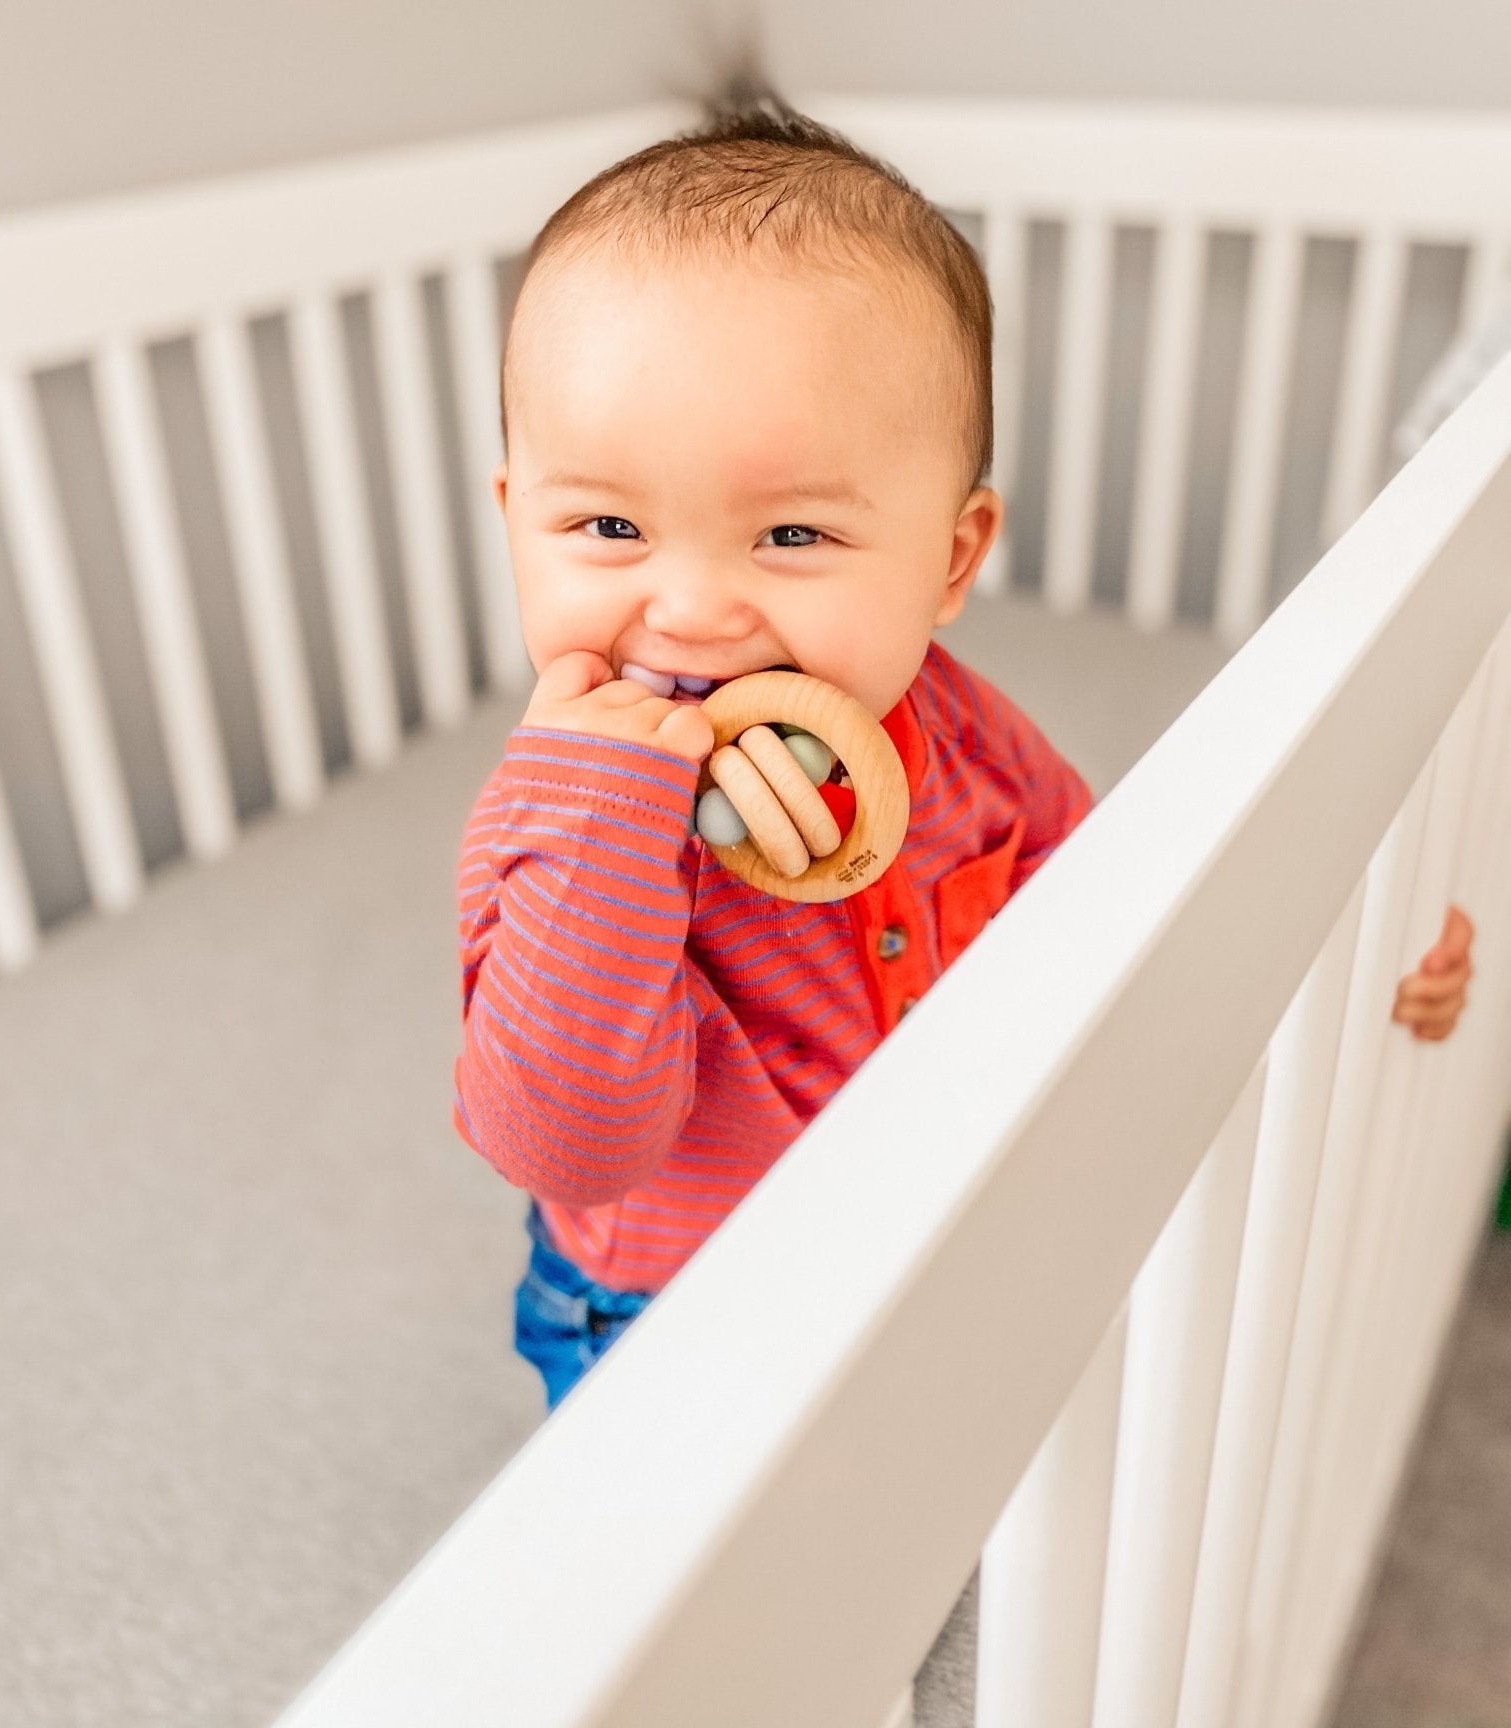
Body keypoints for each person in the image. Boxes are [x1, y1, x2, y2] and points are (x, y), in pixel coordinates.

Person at [453, 98, 1473, 1410]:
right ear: (514, 522)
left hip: (925, 1238)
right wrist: (608, 825)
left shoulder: (958, 731)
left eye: (792, 537)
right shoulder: (557, 827)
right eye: (607, 527)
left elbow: (1108, 903)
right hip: (680, 1311)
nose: (692, 610)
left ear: (949, 559)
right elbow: (569, 1146)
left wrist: (1347, 949)